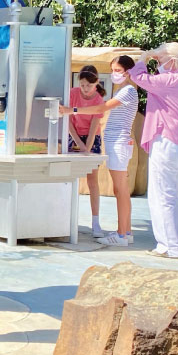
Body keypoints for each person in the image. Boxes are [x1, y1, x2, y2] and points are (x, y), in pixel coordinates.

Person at [128, 42, 178, 259]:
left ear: (171, 61)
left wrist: (144, 58)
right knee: (175, 195)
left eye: (161, 61)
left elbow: (140, 78)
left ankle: (169, 247)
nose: (158, 64)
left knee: (161, 196)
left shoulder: (171, 80)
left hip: (167, 143)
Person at [60, 56, 138, 246]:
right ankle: (125, 231)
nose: (114, 74)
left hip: (119, 143)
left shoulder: (127, 91)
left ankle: (121, 235)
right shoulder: (124, 90)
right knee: (120, 189)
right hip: (116, 143)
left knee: (121, 189)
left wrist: (73, 110)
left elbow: (102, 107)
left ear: (128, 72)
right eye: (112, 70)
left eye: (117, 70)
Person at [67, 65, 106, 237]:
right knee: (68, 176)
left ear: (96, 83)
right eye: (82, 85)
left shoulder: (98, 100)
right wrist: (78, 144)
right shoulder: (72, 93)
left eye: (89, 85)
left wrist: (87, 148)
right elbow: (67, 119)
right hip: (73, 136)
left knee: (92, 179)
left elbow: (94, 126)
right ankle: (66, 218)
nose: (85, 89)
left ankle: (95, 221)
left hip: (92, 138)